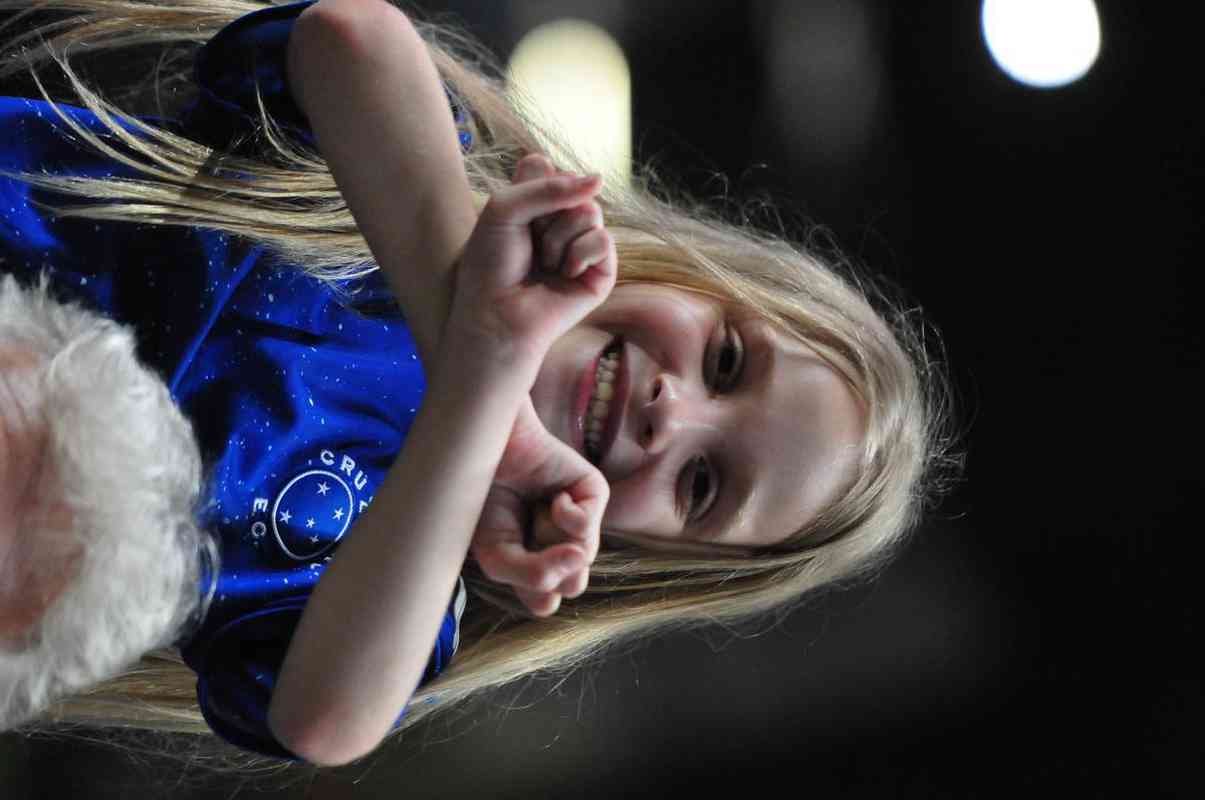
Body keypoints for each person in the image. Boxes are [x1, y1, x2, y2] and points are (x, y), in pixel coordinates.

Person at [0, 0, 960, 773]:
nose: (676, 414)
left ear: (648, 558)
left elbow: (325, 724)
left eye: (702, 483)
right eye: (724, 363)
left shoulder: (414, 584)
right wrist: (478, 343)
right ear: (695, 280)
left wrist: (479, 406)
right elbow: (350, 34)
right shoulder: (440, 194)